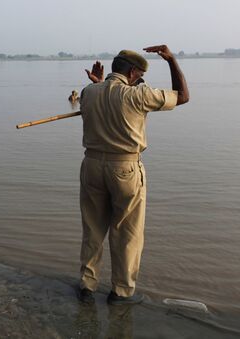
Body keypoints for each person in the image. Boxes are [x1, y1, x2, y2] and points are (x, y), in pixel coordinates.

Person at [77, 45, 189, 305]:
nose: (139, 80)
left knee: (92, 229)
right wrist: (172, 60)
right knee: (127, 232)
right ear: (132, 72)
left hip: (92, 166)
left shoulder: (87, 92)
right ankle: (121, 291)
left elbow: (102, 96)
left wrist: (99, 83)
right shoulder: (138, 95)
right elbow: (182, 96)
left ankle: (87, 285)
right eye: (138, 76)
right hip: (125, 169)